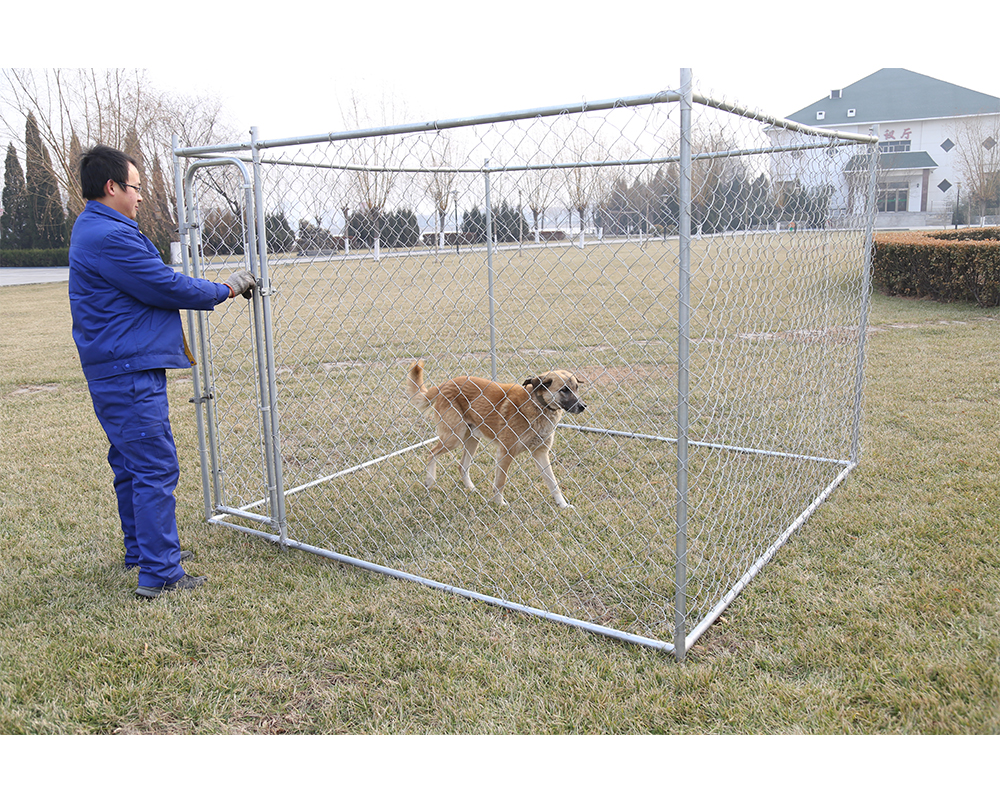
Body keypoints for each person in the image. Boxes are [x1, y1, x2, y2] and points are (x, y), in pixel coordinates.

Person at [68, 144, 256, 599]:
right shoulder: (110, 236)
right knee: (154, 466)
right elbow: (162, 284)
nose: (139, 198)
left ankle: (143, 552)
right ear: (111, 187)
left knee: (131, 464)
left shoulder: (96, 227)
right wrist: (225, 287)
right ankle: (160, 574)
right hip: (127, 370)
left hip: (118, 365)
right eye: (134, 188)